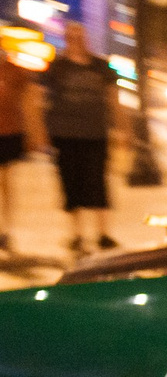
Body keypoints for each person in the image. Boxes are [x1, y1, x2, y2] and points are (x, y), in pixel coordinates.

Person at [38, 23, 116, 257]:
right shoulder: (57, 67)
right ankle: (77, 235)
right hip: (65, 135)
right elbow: (41, 98)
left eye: (79, 35)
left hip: (95, 134)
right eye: (71, 36)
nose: (76, 40)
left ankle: (103, 234)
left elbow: (113, 98)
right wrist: (41, 132)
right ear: (66, 39)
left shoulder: (101, 66)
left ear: (86, 38)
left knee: (97, 183)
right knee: (71, 184)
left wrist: (122, 128)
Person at [0, 45, 27, 257]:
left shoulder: (12, 70)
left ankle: (6, 230)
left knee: (6, 182)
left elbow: (27, 100)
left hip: (8, 132)